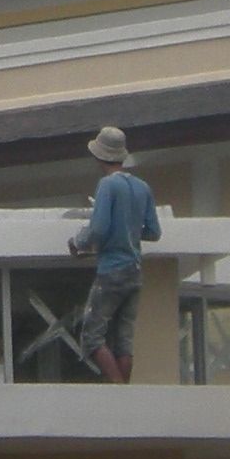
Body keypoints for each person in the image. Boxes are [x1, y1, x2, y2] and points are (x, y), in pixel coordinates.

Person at [68, 123, 160, 382]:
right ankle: (125, 394)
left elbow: (98, 229)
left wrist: (77, 242)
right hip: (135, 270)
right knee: (124, 339)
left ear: (100, 156)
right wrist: (128, 228)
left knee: (92, 336)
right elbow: (153, 232)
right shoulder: (142, 187)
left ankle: (120, 393)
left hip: (112, 270)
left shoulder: (108, 185)